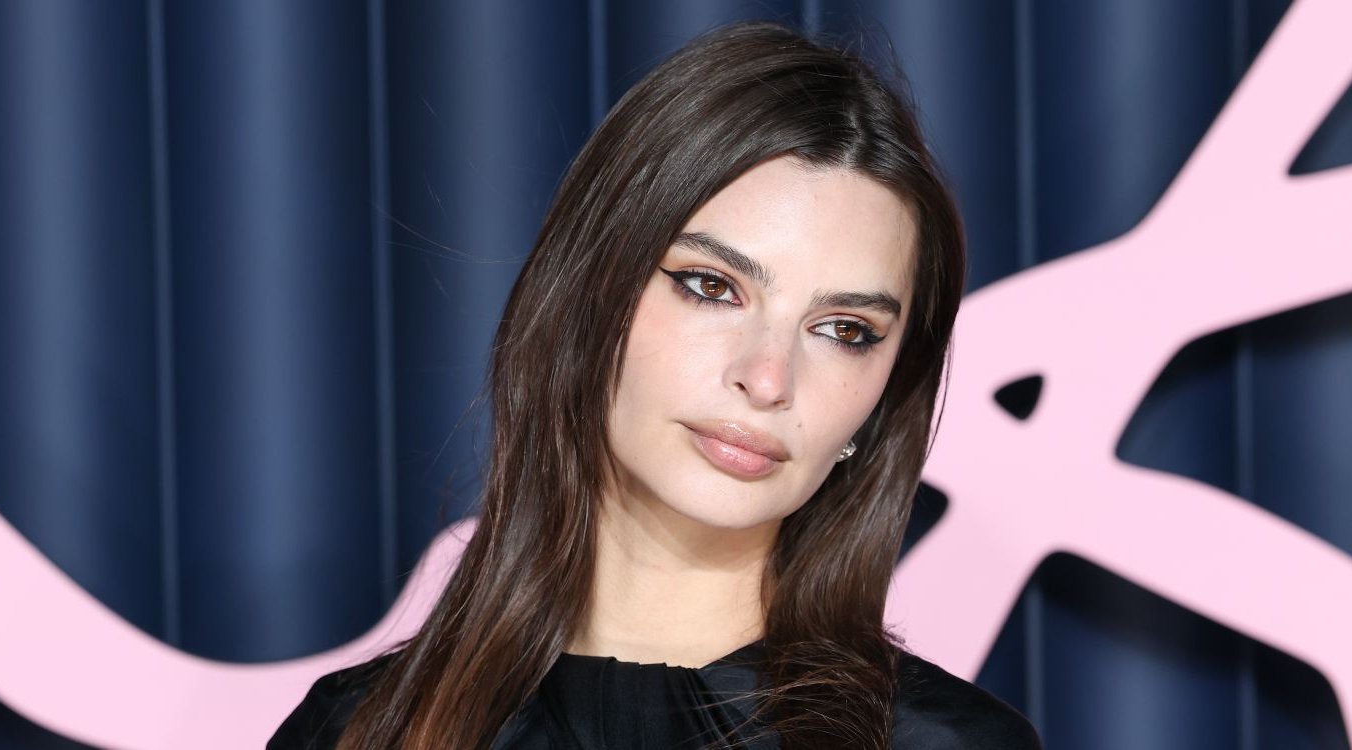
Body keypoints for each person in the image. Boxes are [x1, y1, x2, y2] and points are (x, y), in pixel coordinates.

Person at [270, 19, 1040, 750]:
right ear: (589, 296)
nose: (767, 379)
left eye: (844, 331)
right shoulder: (359, 730)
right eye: (712, 287)